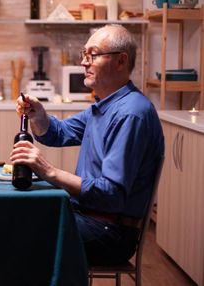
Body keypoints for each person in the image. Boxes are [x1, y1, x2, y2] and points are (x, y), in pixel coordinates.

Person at [10, 24, 164, 265]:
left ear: (121, 61)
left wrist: (47, 170)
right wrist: (37, 114)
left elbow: (111, 195)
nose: (84, 62)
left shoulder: (130, 114)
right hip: (88, 217)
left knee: (16, 237)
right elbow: (57, 134)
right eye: (84, 54)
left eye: (93, 54)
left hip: (109, 231)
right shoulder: (105, 106)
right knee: (14, 216)